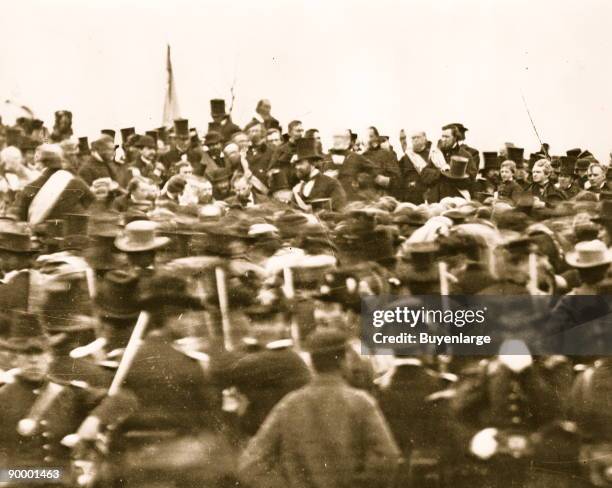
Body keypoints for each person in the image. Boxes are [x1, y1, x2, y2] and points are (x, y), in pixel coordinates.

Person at [238, 328, 400, 488]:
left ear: (312, 363)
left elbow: (250, 464)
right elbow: (388, 455)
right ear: (344, 360)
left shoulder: (290, 404)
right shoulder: (360, 403)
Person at [14, 144, 94, 225]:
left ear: (41, 163)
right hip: (73, 230)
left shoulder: (31, 187)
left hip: (43, 233)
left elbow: (22, 215)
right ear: (61, 161)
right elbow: (91, 200)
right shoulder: (75, 181)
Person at [292, 138, 347, 212]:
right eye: (296, 164)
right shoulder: (298, 188)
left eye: (300, 163)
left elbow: (340, 211)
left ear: (313, 163)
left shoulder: (331, 183)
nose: (297, 167)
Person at [320, 129, 375, 201]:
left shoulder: (356, 157)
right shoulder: (324, 159)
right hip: (331, 203)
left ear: (348, 140)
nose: (338, 140)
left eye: (342, 138)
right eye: (336, 137)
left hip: (350, 202)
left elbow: (375, 171)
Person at [397, 131, 440, 204]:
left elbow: (439, 172)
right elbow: (400, 175)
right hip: (410, 197)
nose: (415, 140)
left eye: (418, 137)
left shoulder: (434, 154)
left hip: (430, 195)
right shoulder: (406, 157)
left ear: (425, 138)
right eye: (413, 138)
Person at [362, 126, 400, 195]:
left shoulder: (387, 155)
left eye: (371, 136)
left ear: (377, 138)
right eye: (366, 137)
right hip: (365, 196)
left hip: (382, 195)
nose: (368, 140)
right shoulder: (361, 156)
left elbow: (397, 179)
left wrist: (381, 179)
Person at [269, 120, 304, 186]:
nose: (301, 134)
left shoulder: (306, 148)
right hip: (286, 184)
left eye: (302, 131)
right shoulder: (281, 149)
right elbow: (271, 169)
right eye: (298, 131)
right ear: (289, 133)